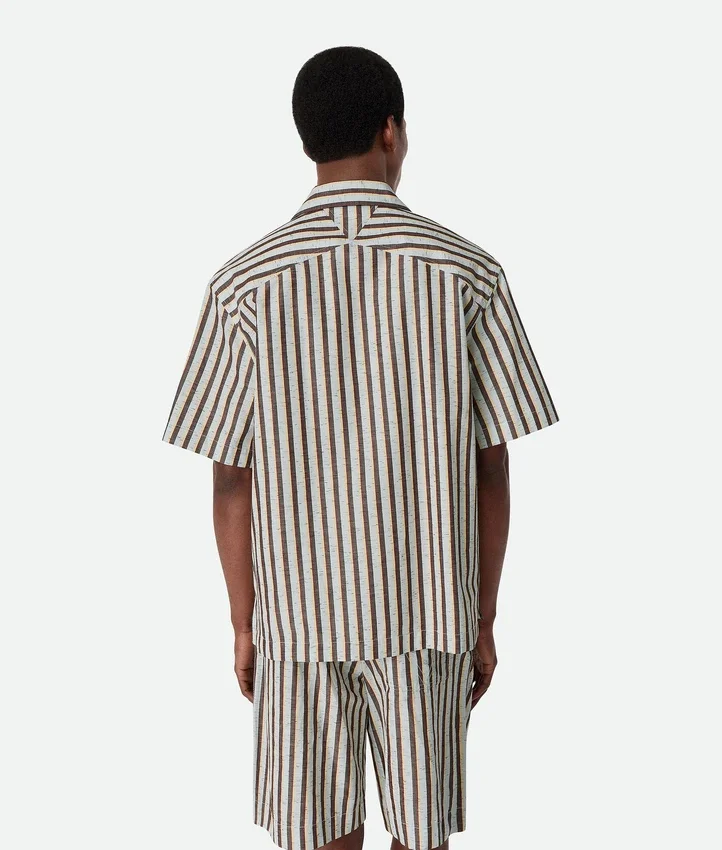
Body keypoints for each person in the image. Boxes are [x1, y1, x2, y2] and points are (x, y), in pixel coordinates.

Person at [161, 44, 558, 850]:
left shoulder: (243, 285)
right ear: (390, 131)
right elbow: (492, 466)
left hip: (299, 620)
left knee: (316, 837)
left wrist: (244, 622)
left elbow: (230, 477)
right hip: (427, 614)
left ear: (306, 139)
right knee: (422, 833)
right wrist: (483, 618)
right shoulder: (468, 274)